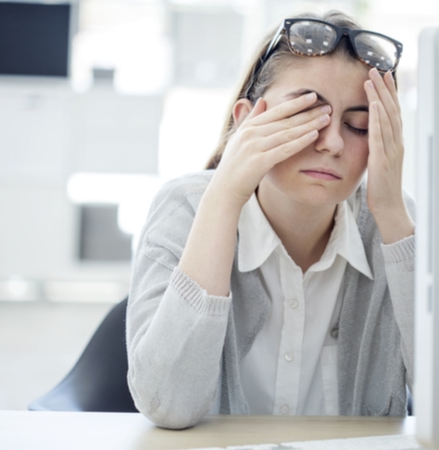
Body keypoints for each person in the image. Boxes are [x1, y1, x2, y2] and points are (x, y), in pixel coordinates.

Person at [126, 10, 415, 430]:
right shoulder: (185, 207)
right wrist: (225, 194)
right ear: (246, 120)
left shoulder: (396, 224)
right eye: (306, 114)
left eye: (358, 126)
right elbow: (168, 404)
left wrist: (392, 217)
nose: (333, 142)